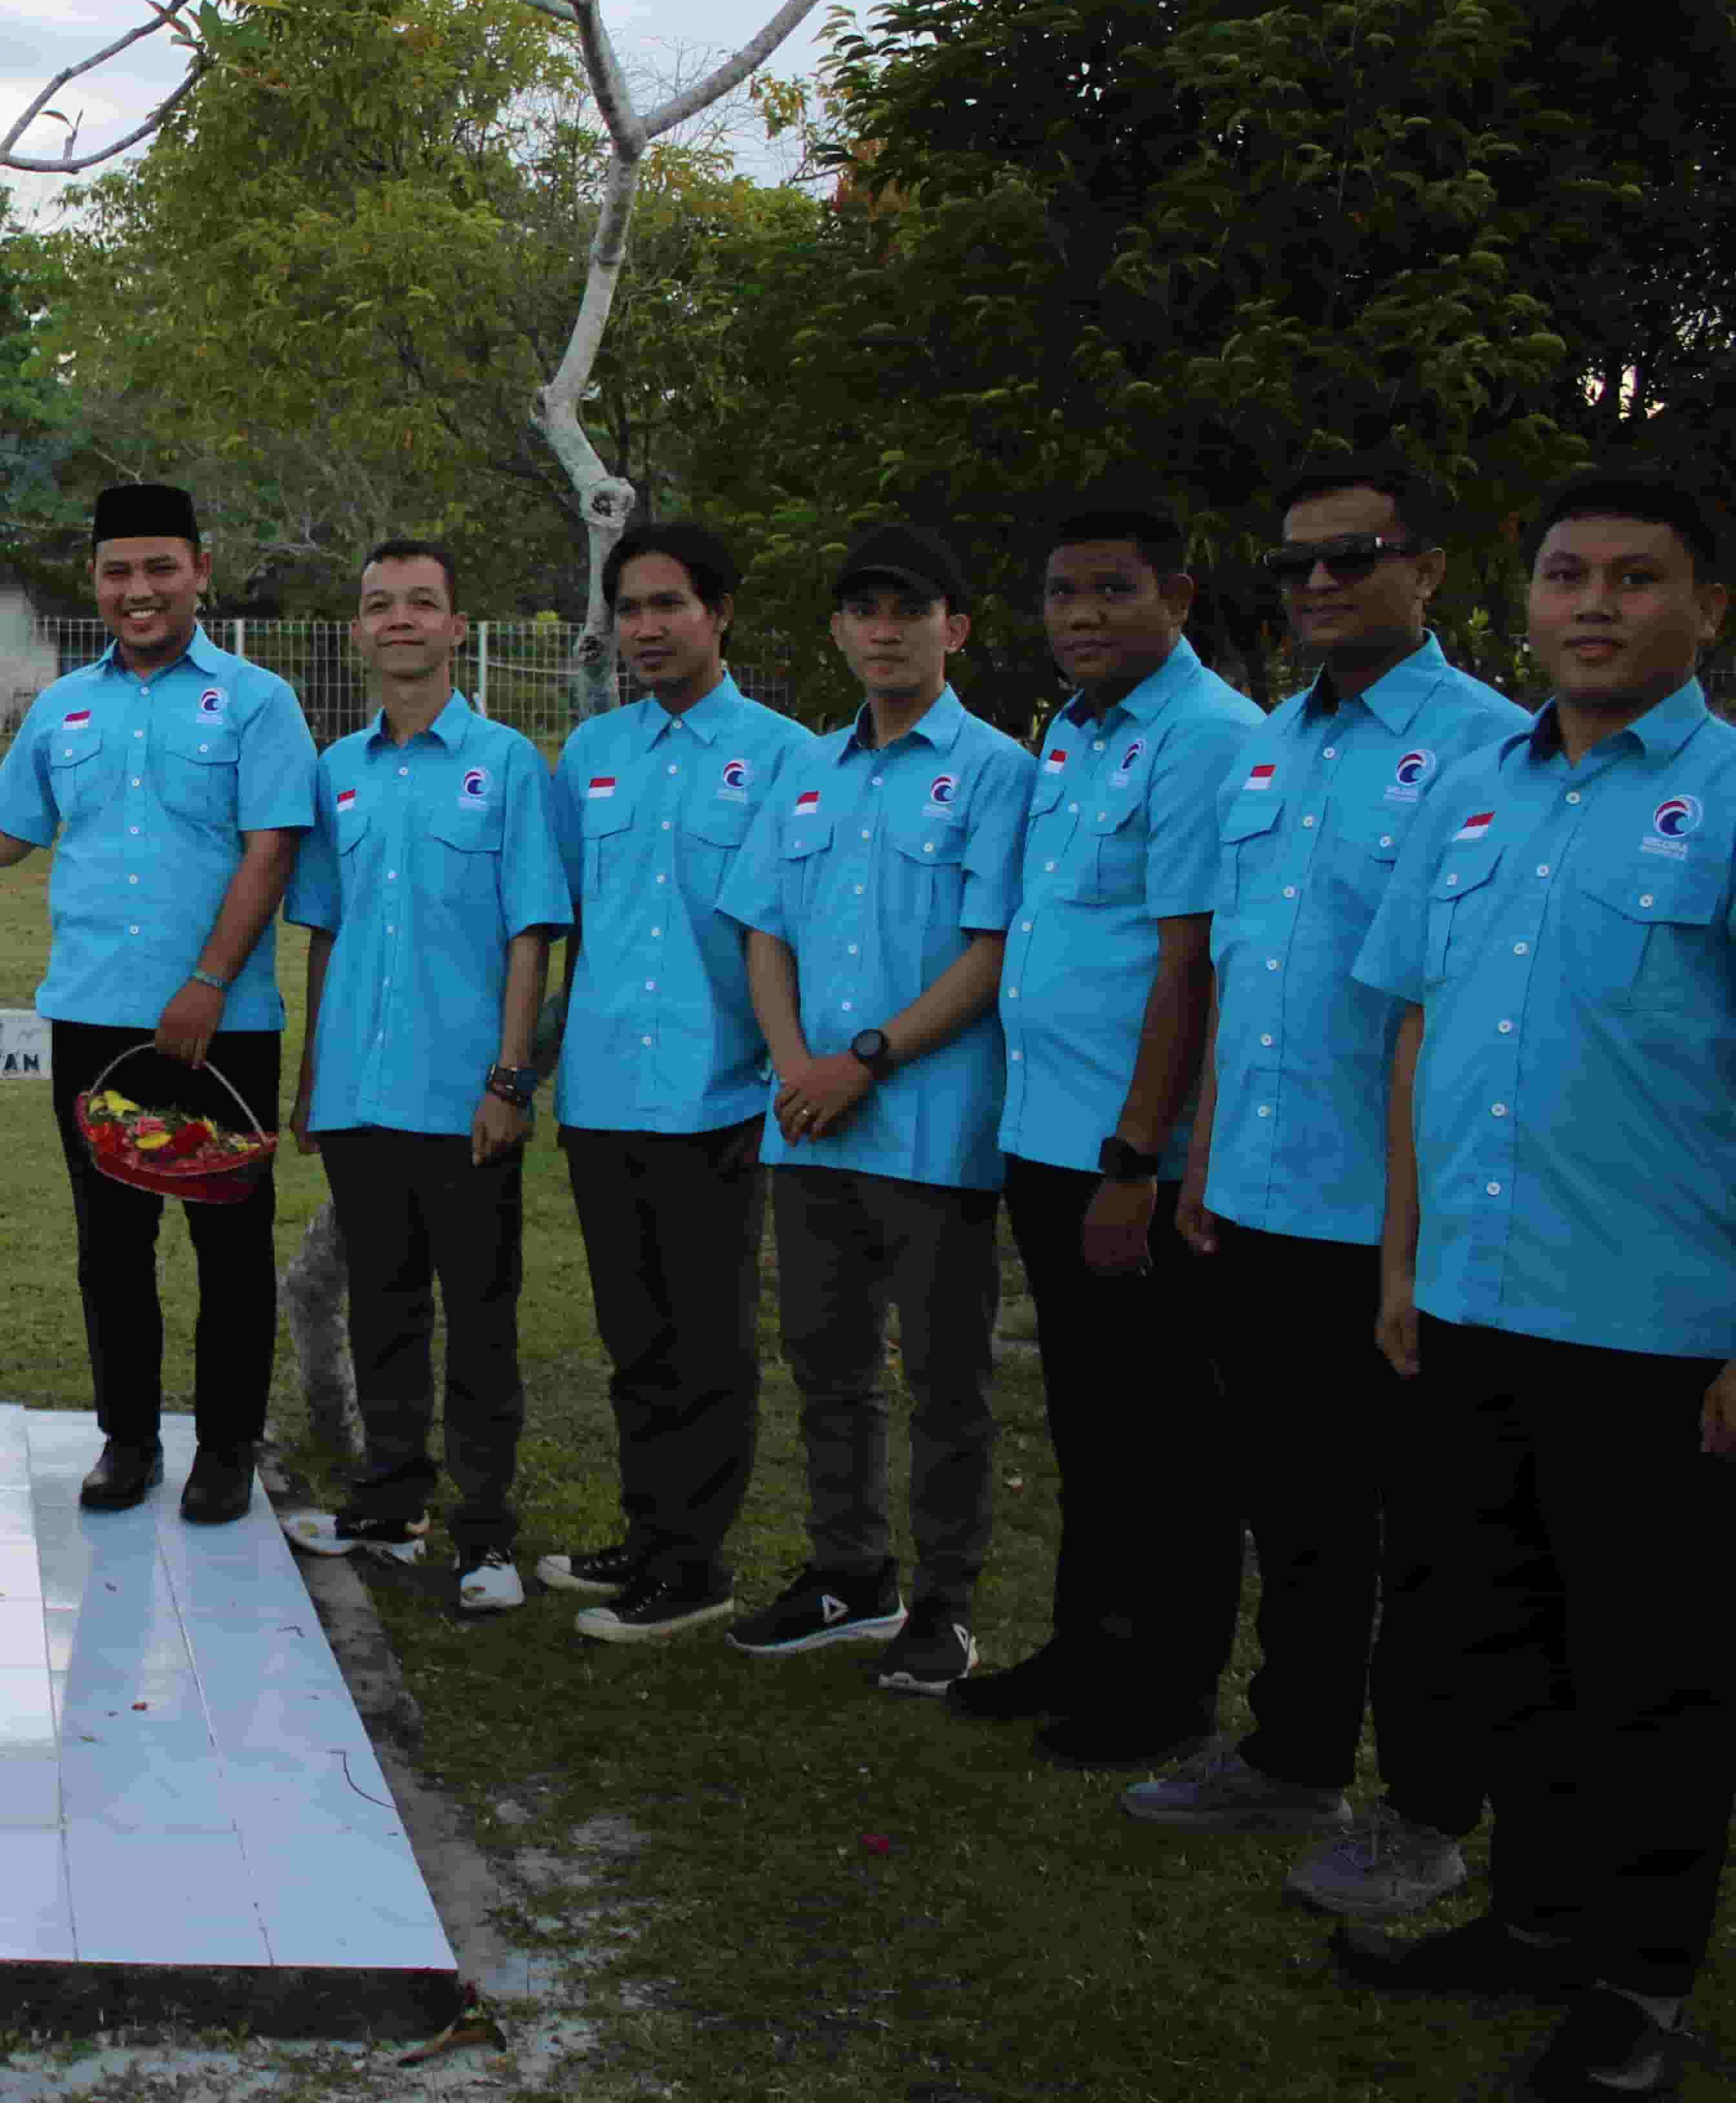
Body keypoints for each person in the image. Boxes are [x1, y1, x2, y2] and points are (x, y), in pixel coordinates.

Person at [1333, 473, 1736, 2102]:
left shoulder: (1722, 793)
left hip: (1655, 1330)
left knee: (1653, 1669)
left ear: (1706, 610)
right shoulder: (1477, 791)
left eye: (1637, 579)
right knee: (1507, 1644)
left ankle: (1637, 1989)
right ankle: (1538, 1914)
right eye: (1568, 572)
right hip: (1474, 1302)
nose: (1594, 604)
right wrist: (1404, 1253)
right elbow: (1422, 1021)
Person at [1130, 460, 1524, 1909]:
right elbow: (1245, 972)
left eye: (1352, 556)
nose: (1316, 583)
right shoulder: (1274, 748)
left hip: (1400, 1223)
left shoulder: (1492, 748)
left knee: (1427, 1532)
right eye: (1295, 562)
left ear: (1426, 568)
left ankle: (1426, 1810)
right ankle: (1291, 1753)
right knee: (1291, 1501)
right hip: (1261, 1199)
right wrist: (1209, 1155)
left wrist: (1414, 1239)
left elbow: (1456, 1004)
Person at [0, 481, 313, 1522]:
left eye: (162, 567)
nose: (140, 590)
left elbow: (272, 849)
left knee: (229, 1243)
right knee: (110, 1246)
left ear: (200, 572)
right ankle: (127, 1441)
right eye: (119, 571)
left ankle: (225, 1448)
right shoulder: (62, 707)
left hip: (219, 1022)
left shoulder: (257, 701)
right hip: (89, 1018)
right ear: (97, 580)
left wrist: (208, 982)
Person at [958, 493, 1263, 1768]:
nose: (1082, 616)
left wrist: (1138, 1159)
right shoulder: (1076, 734)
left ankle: (1170, 1683)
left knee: (1170, 1433)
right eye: (1064, 593)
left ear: (1177, 598)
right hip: (1047, 1129)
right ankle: (1090, 1637)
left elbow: (1187, 965)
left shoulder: (1204, 737)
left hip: (1127, 1154)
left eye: (1113, 590)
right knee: (1089, 1414)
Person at [715, 525, 1032, 1698]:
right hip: (806, 1124)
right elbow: (765, 926)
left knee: (948, 1378)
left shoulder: (1000, 771)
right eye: (863, 611)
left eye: (910, 609)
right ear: (840, 631)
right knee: (827, 1362)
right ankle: (849, 1574)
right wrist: (798, 1063)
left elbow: (993, 949)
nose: (884, 631)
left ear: (955, 627)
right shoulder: (807, 770)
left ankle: (943, 1608)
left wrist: (863, 1061)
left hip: (931, 1127)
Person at [276, 539, 570, 1602]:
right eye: (379, 605)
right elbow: (322, 932)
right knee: (384, 1309)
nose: (400, 620)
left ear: (456, 628)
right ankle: (390, 1508)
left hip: (464, 1100)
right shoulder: (336, 772)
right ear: (360, 632)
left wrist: (508, 1081)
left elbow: (533, 934)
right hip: (359, 1092)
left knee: (480, 1320)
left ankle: (485, 1535)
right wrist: (314, 1081)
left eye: (423, 603)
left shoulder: (508, 767)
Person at [539, 520, 811, 1639]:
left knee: (707, 1340)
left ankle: (695, 1567)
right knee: (633, 1334)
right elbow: (562, 924)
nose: (647, 629)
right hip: (602, 1090)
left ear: (721, 613)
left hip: (720, 1093)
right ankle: (647, 1535)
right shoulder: (590, 755)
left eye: (669, 606)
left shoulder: (789, 756)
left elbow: (787, 931)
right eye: (632, 609)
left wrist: (779, 1071)